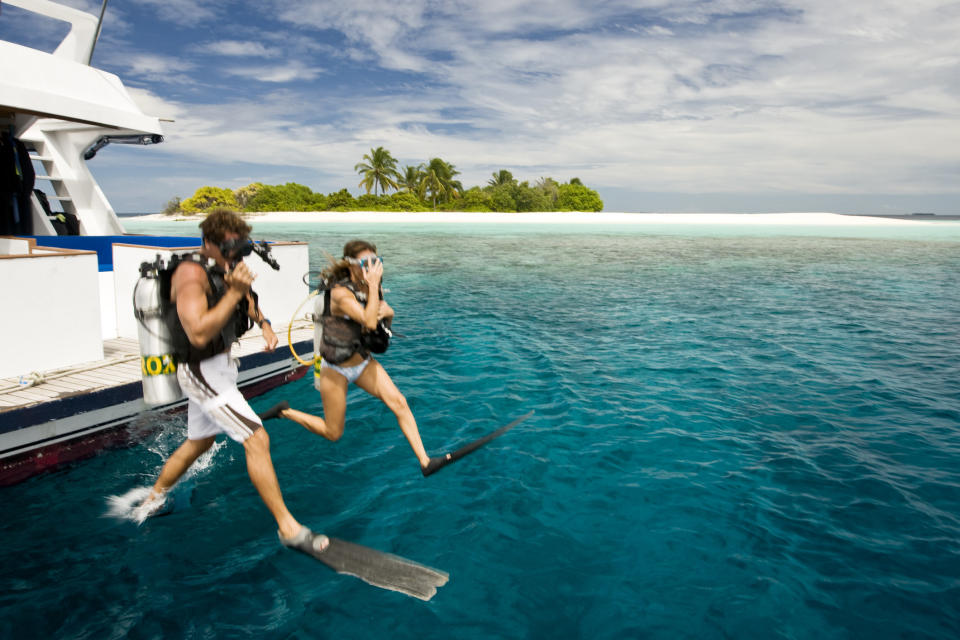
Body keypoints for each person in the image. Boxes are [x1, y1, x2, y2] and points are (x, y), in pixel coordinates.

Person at [136, 208, 325, 553]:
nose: (234, 256)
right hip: (201, 372)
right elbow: (197, 332)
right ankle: (288, 527)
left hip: (221, 368)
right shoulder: (190, 276)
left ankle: (151, 499)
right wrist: (236, 292)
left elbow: (248, 302)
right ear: (207, 243)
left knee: (200, 443)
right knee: (256, 437)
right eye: (227, 249)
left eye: (239, 249)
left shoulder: (224, 268)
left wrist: (265, 323)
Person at [259, 239, 451, 476]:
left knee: (399, 403)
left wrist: (390, 312)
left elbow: (379, 328)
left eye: (376, 262)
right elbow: (368, 320)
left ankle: (425, 461)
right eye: (366, 263)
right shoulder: (341, 294)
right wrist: (374, 289)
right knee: (333, 432)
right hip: (335, 368)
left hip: (362, 362)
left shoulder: (371, 288)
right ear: (351, 265)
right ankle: (284, 411)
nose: (371, 268)